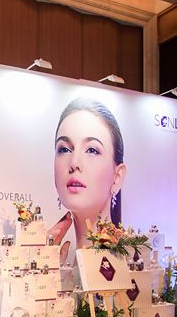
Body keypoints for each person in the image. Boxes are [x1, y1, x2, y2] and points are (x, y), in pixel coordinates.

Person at [48, 98, 127, 258]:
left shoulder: (133, 262)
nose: (74, 163)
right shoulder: (54, 260)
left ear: (117, 177)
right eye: (64, 149)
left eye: (91, 150)